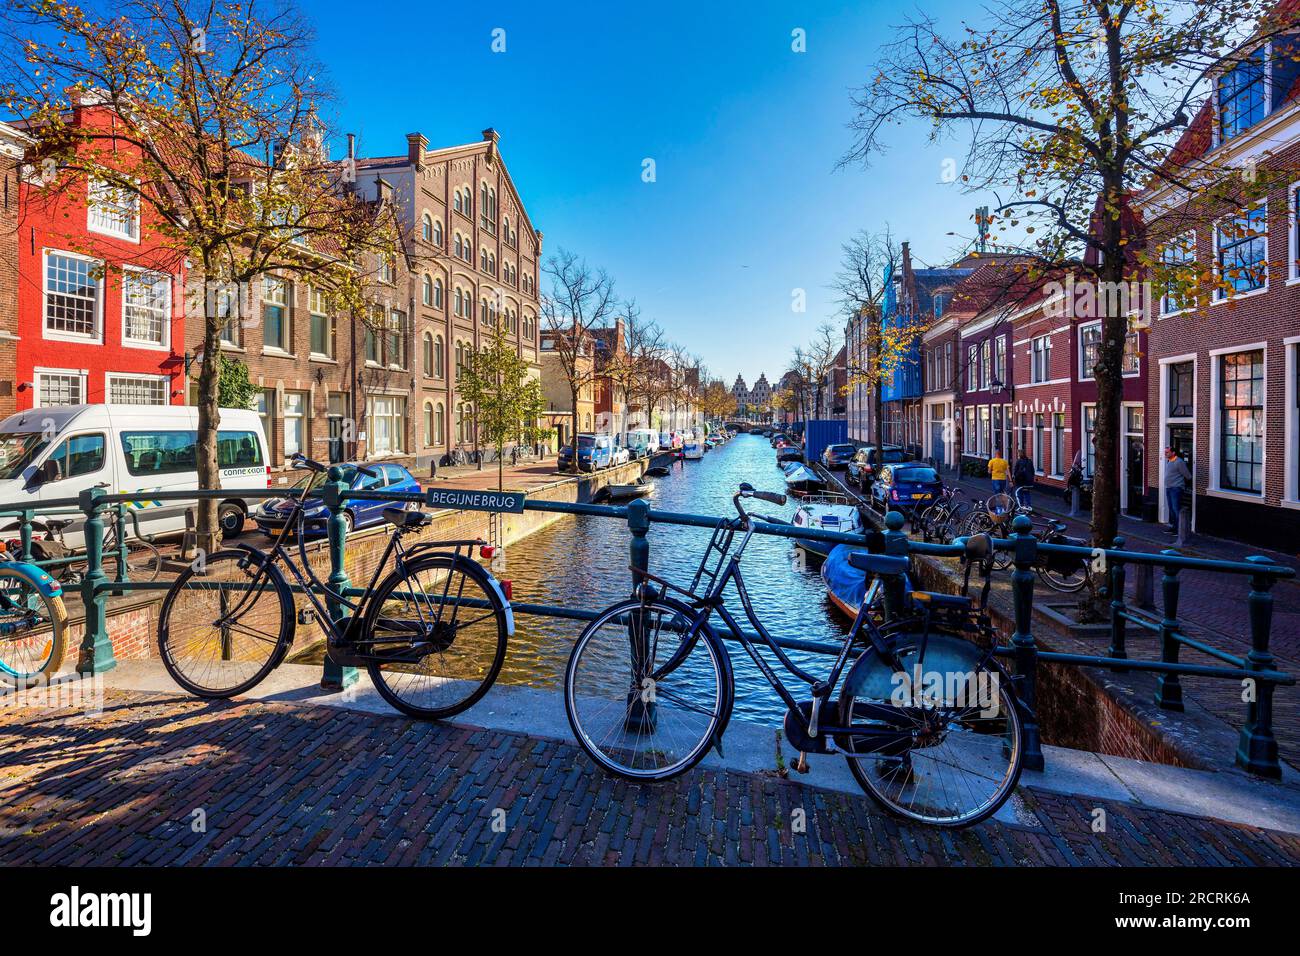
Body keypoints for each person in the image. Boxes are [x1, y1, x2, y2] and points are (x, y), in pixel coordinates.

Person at [1164, 447, 1191, 534]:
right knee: (1171, 509)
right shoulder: (1169, 461)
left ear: (1173, 453)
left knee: (1176, 509)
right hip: (1169, 488)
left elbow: (1187, 475)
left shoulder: (1179, 462)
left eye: (1167, 452)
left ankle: (1179, 530)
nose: (1165, 454)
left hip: (1176, 488)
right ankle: (1174, 527)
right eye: (1165, 452)